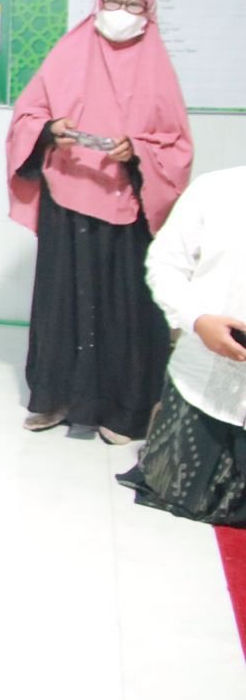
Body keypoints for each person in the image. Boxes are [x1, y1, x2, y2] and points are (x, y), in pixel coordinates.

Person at [7, 0, 193, 445]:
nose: (122, 13)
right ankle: (54, 397)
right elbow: (28, 116)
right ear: (98, 2)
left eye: (135, 5)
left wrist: (138, 151)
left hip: (126, 205)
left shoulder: (158, 69)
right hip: (66, 197)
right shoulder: (68, 54)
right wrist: (53, 129)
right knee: (62, 301)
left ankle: (123, 409)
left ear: (149, 13)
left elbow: (175, 145)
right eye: (114, 1)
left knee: (123, 308)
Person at [117, 166, 246, 524]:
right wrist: (197, 321)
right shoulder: (217, 189)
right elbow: (165, 263)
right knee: (173, 485)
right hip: (203, 379)